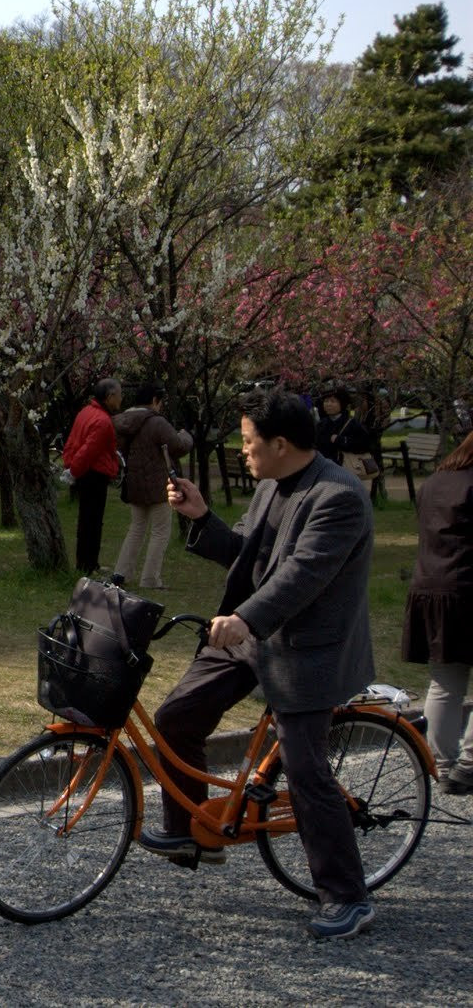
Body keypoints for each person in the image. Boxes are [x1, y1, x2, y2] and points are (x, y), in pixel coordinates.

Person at [152, 387, 377, 941]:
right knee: (176, 715)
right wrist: (202, 516)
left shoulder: (339, 496)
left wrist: (246, 619)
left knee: (305, 772)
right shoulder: (273, 485)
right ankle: (193, 835)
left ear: (280, 443)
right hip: (255, 635)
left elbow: (301, 575)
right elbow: (248, 554)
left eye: (249, 441)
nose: (242, 449)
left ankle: (348, 896)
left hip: (308, 650)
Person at [401, 427, 473, 795]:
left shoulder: (436, 481)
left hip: (430, 587)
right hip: (466, 587)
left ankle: (443, 766)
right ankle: (470, 764)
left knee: (445, 682)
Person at [112, 385, 194, 589]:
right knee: (160, 531)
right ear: (155, 401)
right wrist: (186, 435)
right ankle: (150, 579)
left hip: (134, 482)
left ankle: (121, 573)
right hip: (158, 483)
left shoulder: (122, 421)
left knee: (136, 528)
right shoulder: (156, 422)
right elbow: (178, 446)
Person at [62, 378, 123, 574]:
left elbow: (73, 442)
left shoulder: (85, 412)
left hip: (86, 472)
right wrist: (74, 470)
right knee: (93, 521)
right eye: (119, 395)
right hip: (94, 473)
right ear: (109, 396)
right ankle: (88, 565)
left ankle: (86, 563)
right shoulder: (102, 421)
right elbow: (89, 451)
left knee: (87, 519)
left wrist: (70, 465)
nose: (121, 399)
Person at [314, 388, 373, 465]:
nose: (328, 404)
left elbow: (365, 444)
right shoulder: (321, 425)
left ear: (342, 404)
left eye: (333, 401)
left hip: (345, 470)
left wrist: (342, 440)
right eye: (326, 401)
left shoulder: (352, 424)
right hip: (324, 469)